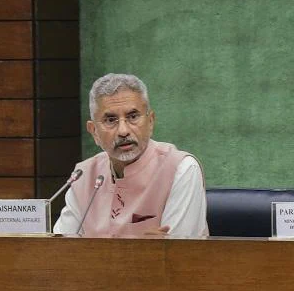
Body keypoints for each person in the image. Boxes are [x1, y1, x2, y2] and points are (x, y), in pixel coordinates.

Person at [53, 73, 208, 238]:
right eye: (110, 120)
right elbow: (61, 250)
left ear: (150, 122)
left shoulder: (181, 169)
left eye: (133, 117)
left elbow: (177, 254)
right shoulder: (83, 176)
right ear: (94, 132)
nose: (123, 131)